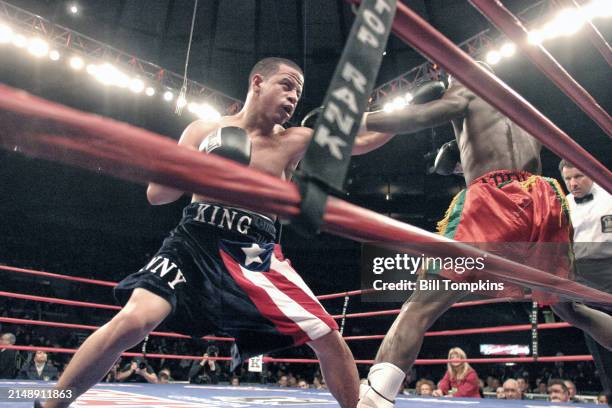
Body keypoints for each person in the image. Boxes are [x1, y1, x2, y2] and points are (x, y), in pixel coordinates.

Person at [41, 57, 389, 408]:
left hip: (256, 253)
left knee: (328, 336)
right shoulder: (202, 130)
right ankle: (54, 403)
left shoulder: (295, 140)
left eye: (298, 92)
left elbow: (363, 141)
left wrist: (406, 114)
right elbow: (157, 195)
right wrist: (206, 165)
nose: (293, 96)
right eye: (286, 84)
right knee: (133, 321)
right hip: (194, 241)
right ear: (257, 82)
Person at [355, 63, 612, 407]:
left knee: (419, 307)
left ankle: (375, 398)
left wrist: (359, 120)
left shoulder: (467, 87)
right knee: (572, 310)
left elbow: (423, 116)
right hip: (543, 201)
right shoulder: (518, 104)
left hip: (494, 198)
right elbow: (505, 152)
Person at [559, 159, 612, 403]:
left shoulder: (610, 194)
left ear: (591, 172)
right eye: (568, 178)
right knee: (603, 357)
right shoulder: (563, 206)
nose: (573, 183)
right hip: (585, 285)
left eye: (578, 176)